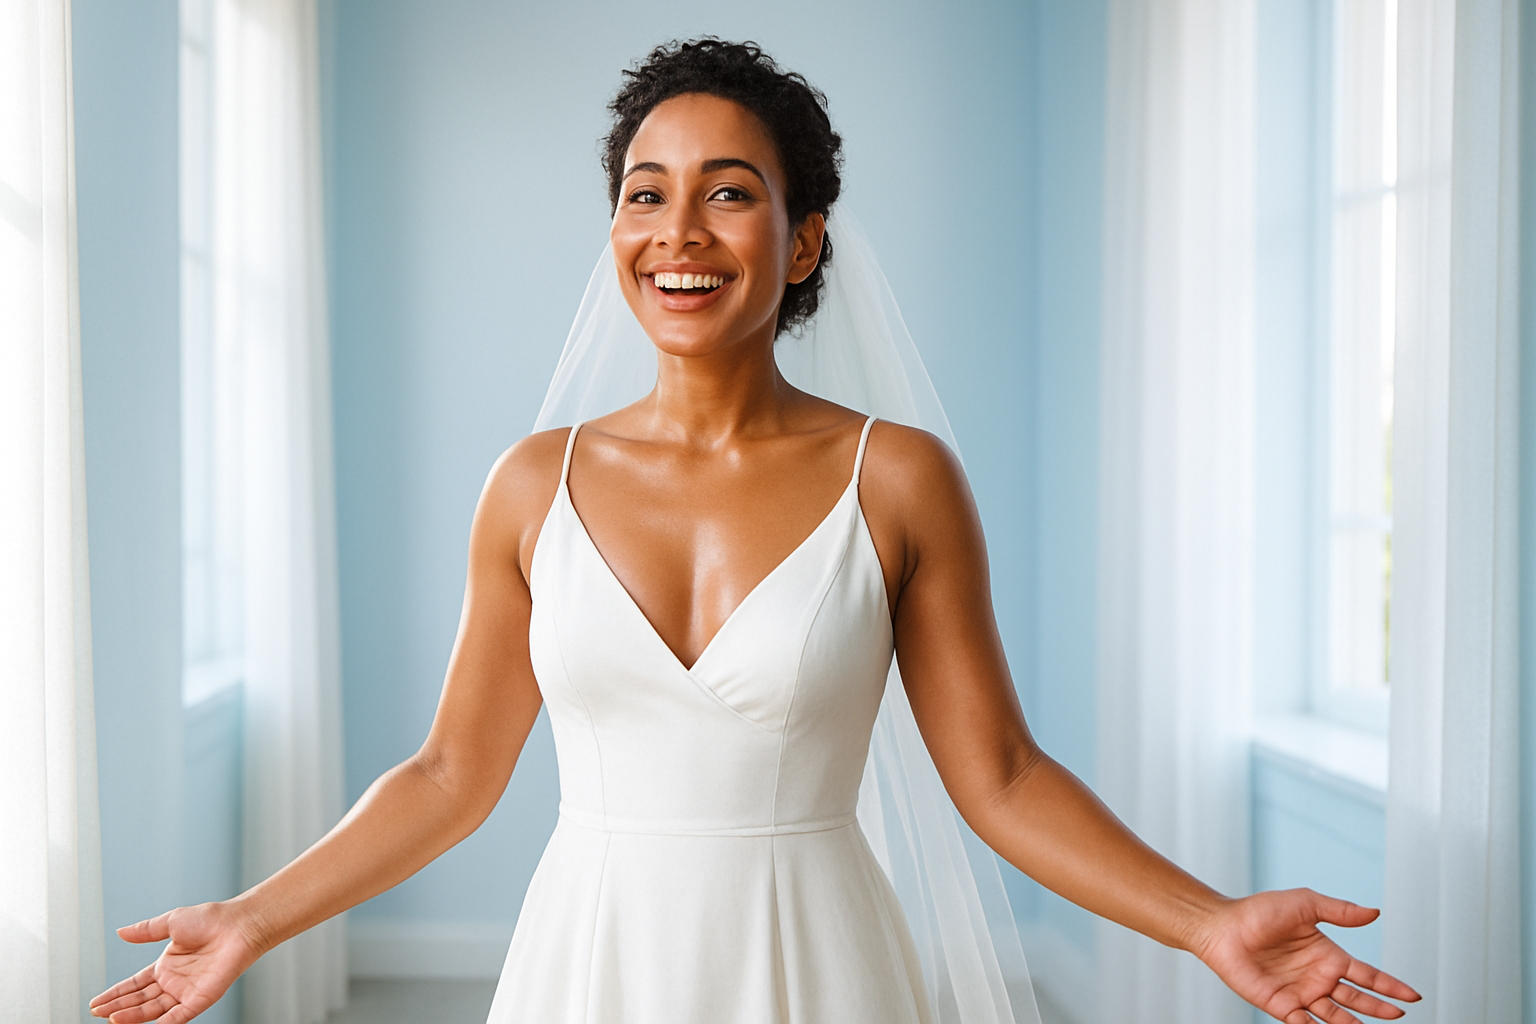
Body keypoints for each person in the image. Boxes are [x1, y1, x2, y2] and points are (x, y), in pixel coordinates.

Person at [90, 39, 1420, 1024]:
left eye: (729, 192)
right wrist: (253, 919)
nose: (678, 230)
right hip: (589, 961)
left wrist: (1208, 923)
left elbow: (1002, 775)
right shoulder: (528, 484)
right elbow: (450, 772)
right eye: (644, 191)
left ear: (800, 243)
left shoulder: (897, 480)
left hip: (819, 961)